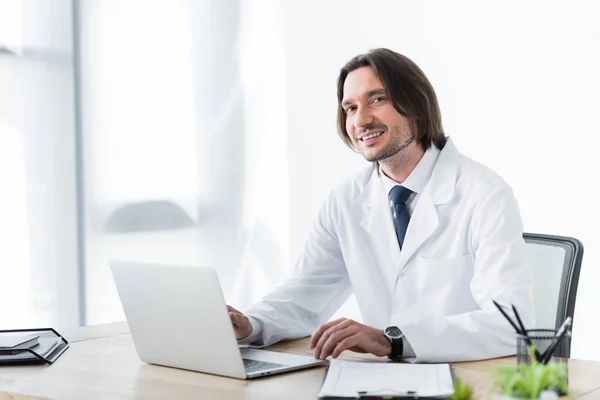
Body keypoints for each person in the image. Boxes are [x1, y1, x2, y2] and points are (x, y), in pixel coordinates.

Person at [227, 48, 534, 363]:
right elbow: (305, 294)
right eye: (350, 107)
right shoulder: (345, 201)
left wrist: (393, 340)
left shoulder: (484, 194)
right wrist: (250, 324)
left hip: (466, 382)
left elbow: (512, 324)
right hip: (380, 382)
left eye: (377, 100)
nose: (361, 120)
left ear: (415, 104)